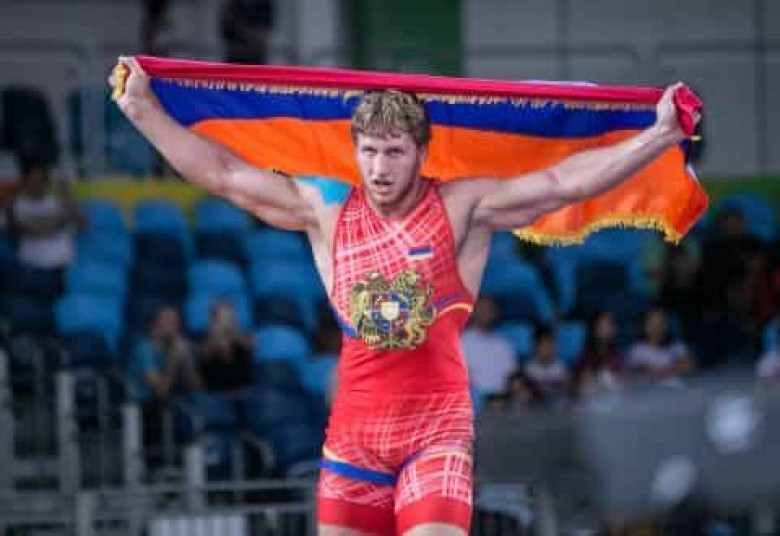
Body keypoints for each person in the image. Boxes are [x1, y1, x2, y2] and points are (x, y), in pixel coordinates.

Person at [110, 56, 699, 536]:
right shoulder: (326, 213)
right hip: (353, 440)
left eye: (394, 151)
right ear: (354, 151)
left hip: (436, 434)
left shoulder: (461, 207)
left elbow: (561, 182)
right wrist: (142, 110)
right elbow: (223, 174)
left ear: (421, 152)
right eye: (368, 151)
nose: (379, 167)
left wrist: (660, 134)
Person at [127, 305, 201, 474]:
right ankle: (164, 469)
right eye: (168, 321)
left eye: (176, 322)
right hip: (144, 408)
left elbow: (196, 388)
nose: (175, 326)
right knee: (171, 412)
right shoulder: (144, 350)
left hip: (170, 405)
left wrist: (187, 361)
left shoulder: (174, 349)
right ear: (154, 326)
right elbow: (161, 391)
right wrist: (174, 360)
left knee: (197, 407)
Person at [7, 159, 85, 270]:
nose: (37, 185)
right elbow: (33, 229)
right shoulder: (16, 204)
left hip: (64, 266)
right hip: (32, 267)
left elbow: (82, 224)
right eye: (33, 181)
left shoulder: (57, 201)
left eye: (41, 181)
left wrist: (68, 199)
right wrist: (60, 219)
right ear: (24, 181)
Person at [461, 295, 517, 396]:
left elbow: (512, 376)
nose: (485, 313)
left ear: (496, 313)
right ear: (473, 312)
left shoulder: (504, 344)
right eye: (482, 309)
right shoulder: (461, 342)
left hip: (502, 399)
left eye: (489, 310)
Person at [198, 299, 254, 394]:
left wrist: (235, 335)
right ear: (213, 321)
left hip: (243, 393)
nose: (227, 322)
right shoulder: (205, 342)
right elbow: (206, 354)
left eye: (230, 317)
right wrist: (218, 337)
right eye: (223, 318)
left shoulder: (244, 340)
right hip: (215, 394)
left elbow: (250, 350)